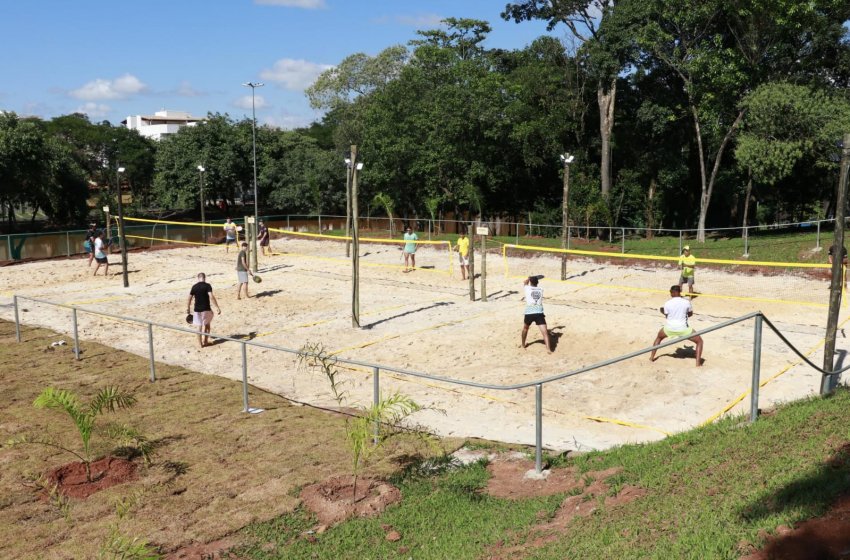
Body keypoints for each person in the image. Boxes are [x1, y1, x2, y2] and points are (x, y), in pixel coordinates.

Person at [650, 285, 704, 367]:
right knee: (699, 341)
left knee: (659, 338)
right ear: (679, 292)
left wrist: (662, 310)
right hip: (683, 329)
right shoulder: (686, 302)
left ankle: (651, 357)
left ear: (672, 293)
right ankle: (697, 364)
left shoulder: (667, 303)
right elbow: (690, 314)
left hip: (669, 329)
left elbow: (667, 315)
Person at [186, 272, 221, 348]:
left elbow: (189, 299)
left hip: (197, 310)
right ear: (204, 278)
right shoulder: (207, 286)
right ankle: (205, 341)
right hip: (206, 309)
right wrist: (217, 307)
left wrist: (188, 308)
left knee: (199, 327)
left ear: (198, 278)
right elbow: (211, 297)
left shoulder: (194, 286)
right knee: (207, 325)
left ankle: (200, 344)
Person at [521, 275, 553, 354]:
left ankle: (523, 344)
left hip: (529, 312)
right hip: (539, 312)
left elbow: (525, 282)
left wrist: (528, 278)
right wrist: (532, 279)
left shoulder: (527, 288)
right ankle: (548, 349)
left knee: (525, 328)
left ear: (531, 282)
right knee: (545, 332)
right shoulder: (541, 289)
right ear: (537, 283)